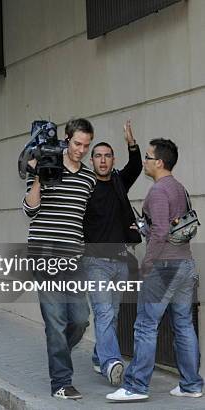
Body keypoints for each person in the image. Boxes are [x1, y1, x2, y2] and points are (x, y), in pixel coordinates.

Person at [107, 138, 203, 402]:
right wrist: (143, 228)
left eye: (148, 157)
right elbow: (170, 227)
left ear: (159, 162)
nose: (145, 162)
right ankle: (191, 384)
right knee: (183, 324)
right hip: (184, 264)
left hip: (163, 267)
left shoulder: (159, 191)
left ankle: (136, 386)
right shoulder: (179, 188)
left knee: (146, 326)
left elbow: (160, 232)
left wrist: (147, 265)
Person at [23, 118, 97, 400]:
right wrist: (40, 175)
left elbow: (83, 218)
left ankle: (58, 354)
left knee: (79, 320)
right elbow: (29, 210)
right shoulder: (46, 166)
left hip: (73, 258)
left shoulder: (88, 178)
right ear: (67, 139)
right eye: (77, 143)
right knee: (55, 321)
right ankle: (61, 383)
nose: (81, 150)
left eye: (86, 145)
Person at [82, 120, 142, 387]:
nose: (103, 161)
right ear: (91, 160)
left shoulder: (118, 182)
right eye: (98, 156)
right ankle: (111, 364)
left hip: (119, 260)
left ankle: (98, 356)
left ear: (112, 159)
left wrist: (131, 142)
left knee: (112, 314)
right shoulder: (83, 187)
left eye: (107, 156)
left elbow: (137, 166)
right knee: (105, 313)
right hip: (94, 261)